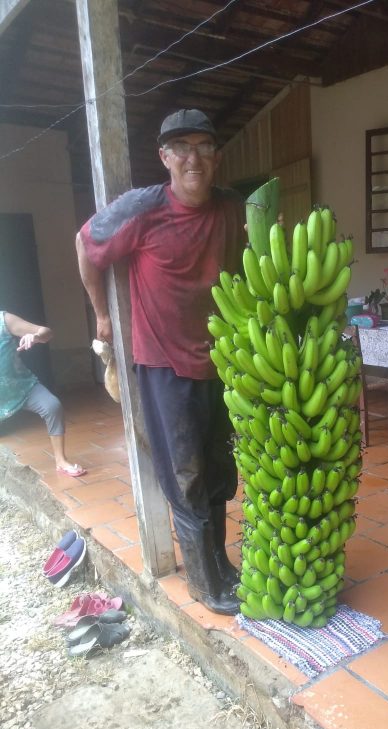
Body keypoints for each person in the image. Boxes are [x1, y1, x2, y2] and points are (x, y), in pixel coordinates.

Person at [75, 109, 244, 616]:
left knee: (218, 469)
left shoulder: (233, 208)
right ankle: (202, 581)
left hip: (223, 361)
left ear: (215, 155)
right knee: (186, 473)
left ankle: (219, 563)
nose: (194, 157)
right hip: (165, 365)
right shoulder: (142, 208)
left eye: (204, 146)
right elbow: (86, 244)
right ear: (165, 157)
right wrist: (102, 313)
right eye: (182, 148)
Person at [0, 311, 86, 477]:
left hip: (20, 386)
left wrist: (37, 337)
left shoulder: (4, 321)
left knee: (52, 406)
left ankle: (60, 460)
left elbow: (46, 332)